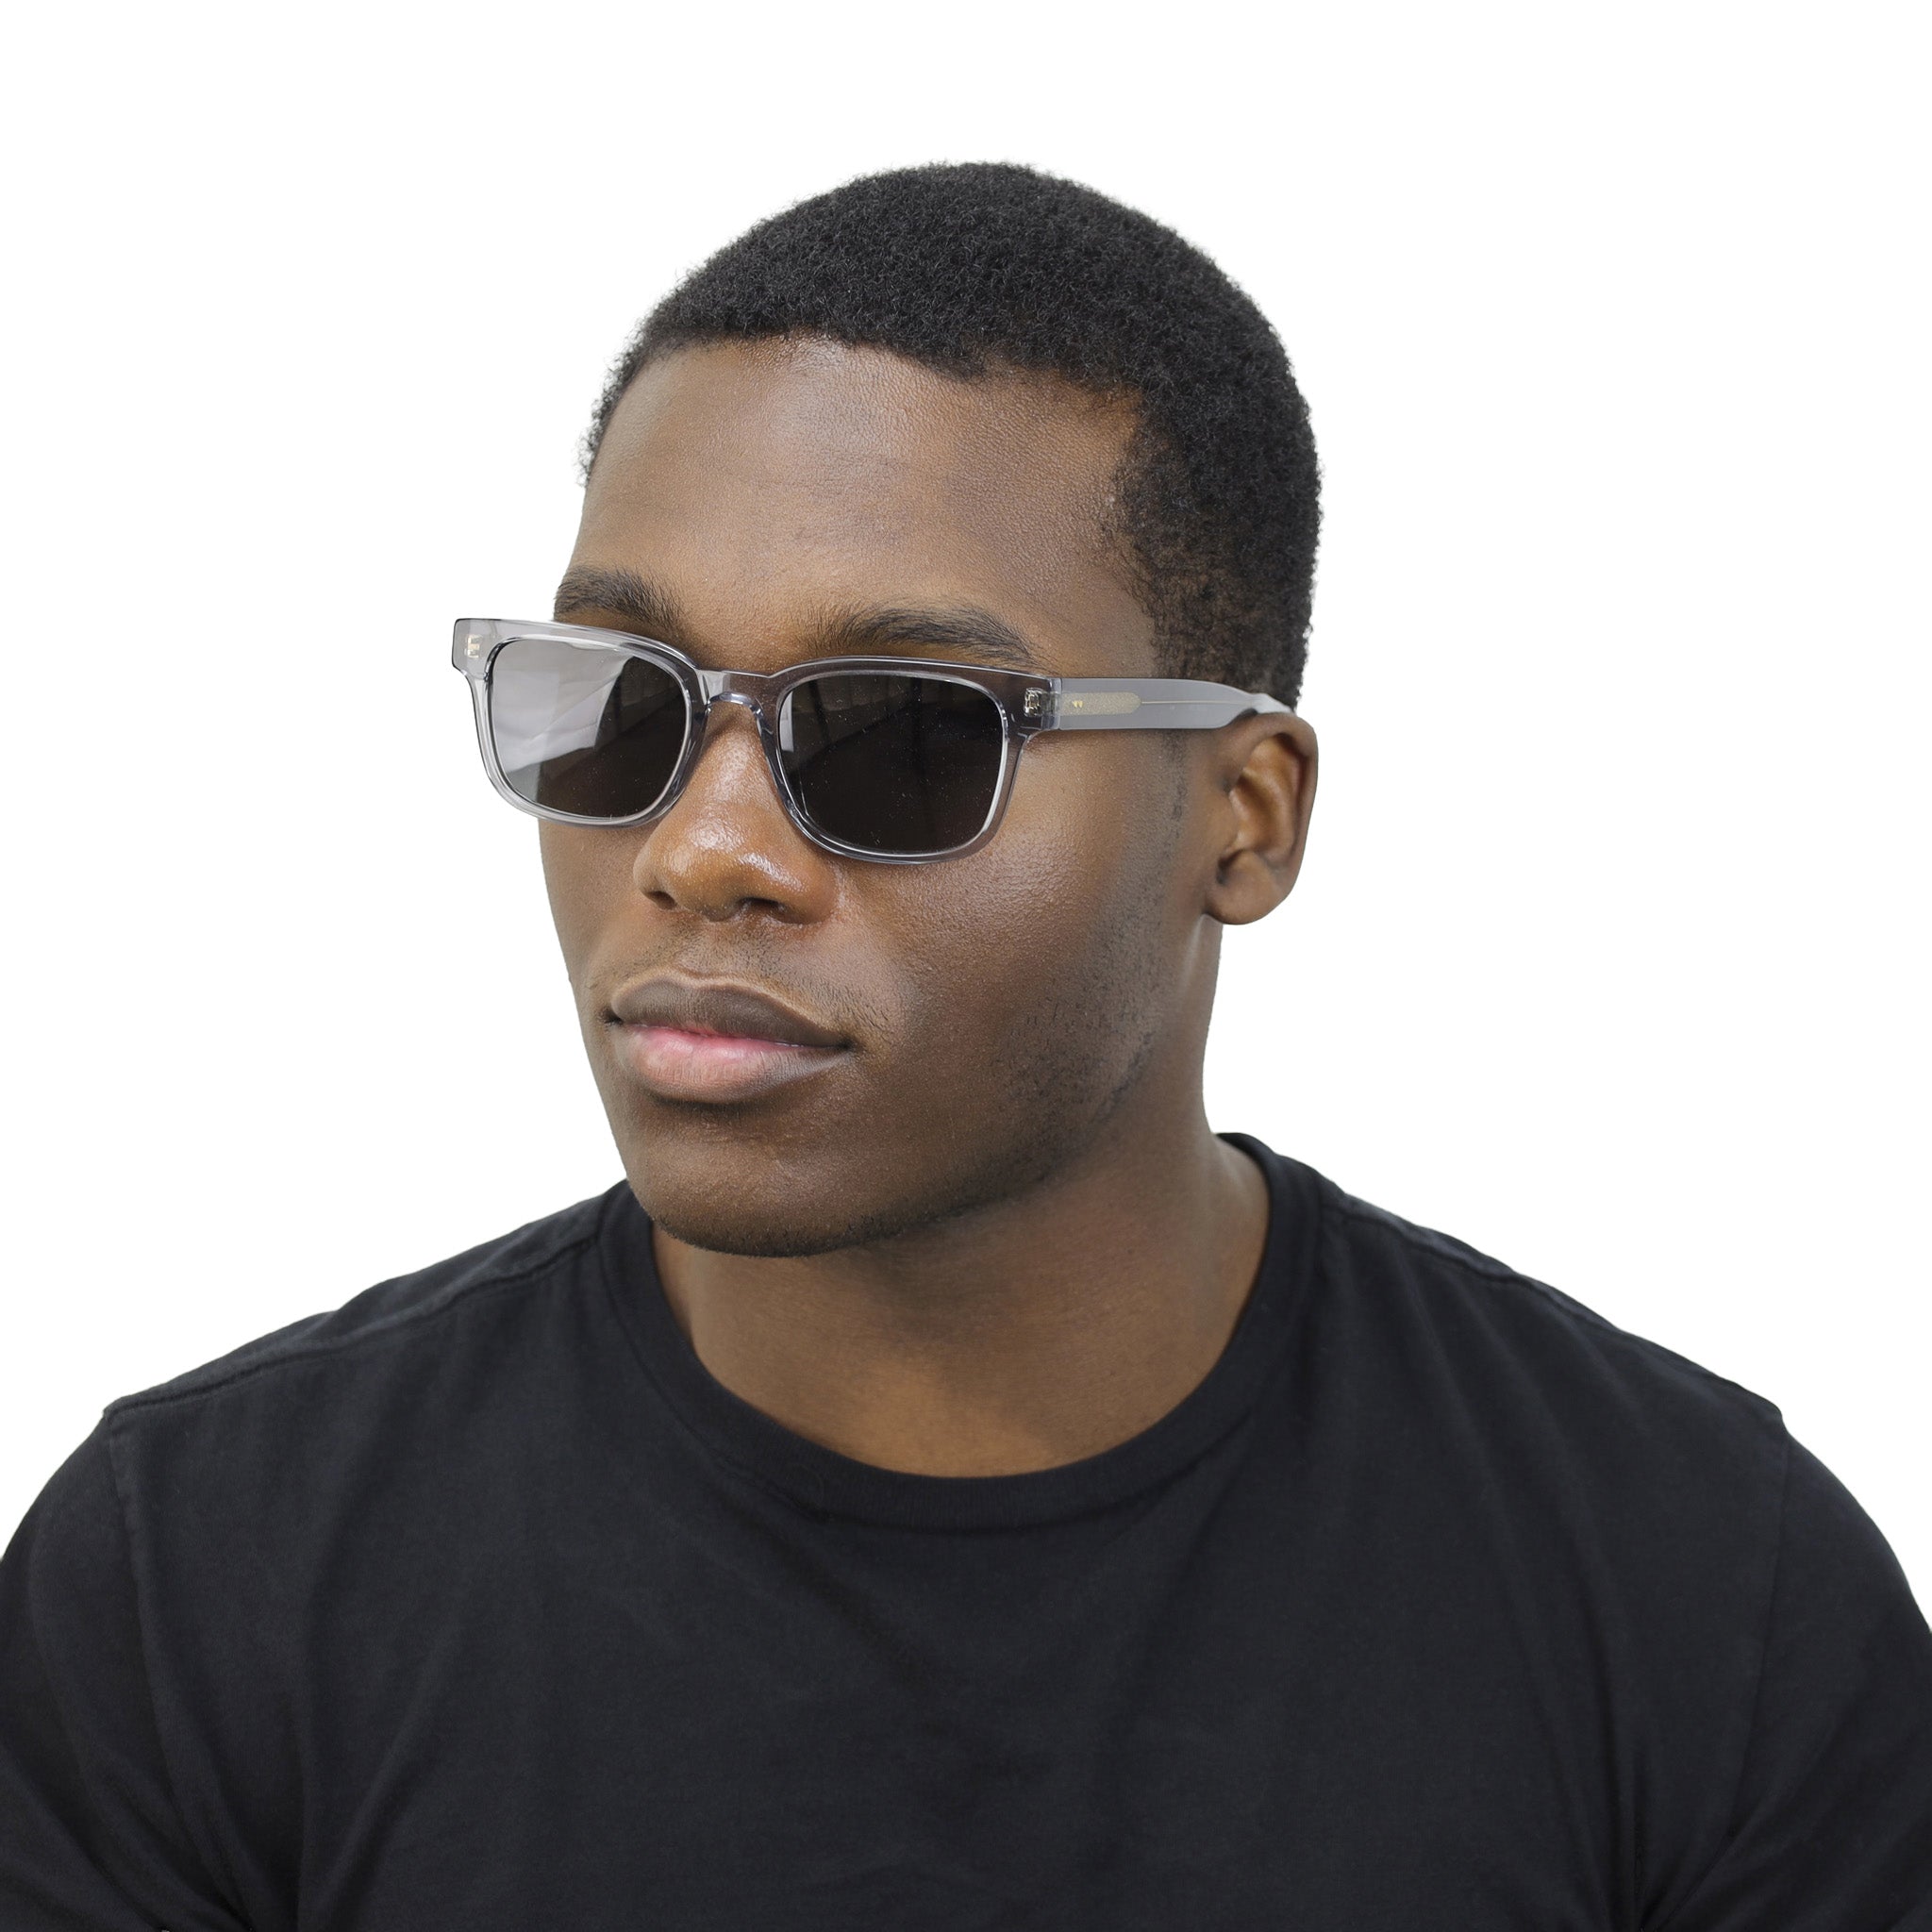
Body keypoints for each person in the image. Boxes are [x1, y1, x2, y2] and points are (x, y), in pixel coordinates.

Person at [3, 162, 1927, 1930]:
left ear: (1243, 816)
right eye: (619, 706)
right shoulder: (193, 1593)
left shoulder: (1699, 1604)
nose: (702, 851)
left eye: (907, 732)